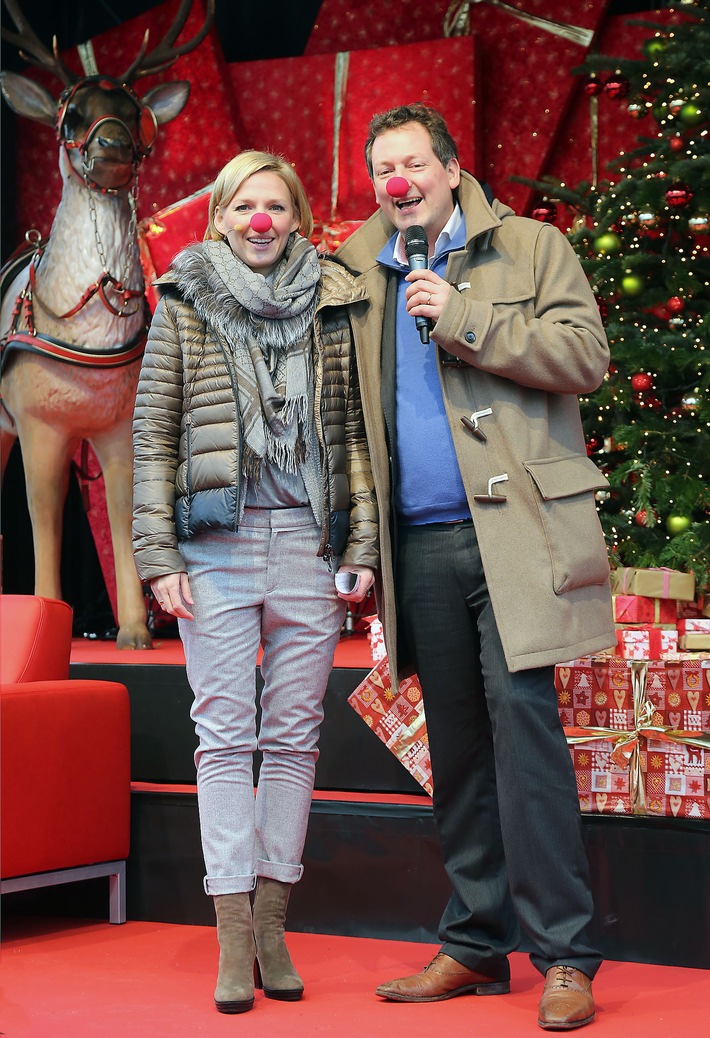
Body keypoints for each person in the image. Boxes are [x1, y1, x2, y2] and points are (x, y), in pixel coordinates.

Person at [334, 102, 616, 1031]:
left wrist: (463, 316)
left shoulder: (532, 248)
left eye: (413, 162)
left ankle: (566, 956)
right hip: (419, 544)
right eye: (383, 169)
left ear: (452, 169)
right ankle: (474, 943)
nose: (397, 182)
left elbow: (586, 355)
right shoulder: (357, 269)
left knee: (524, 730)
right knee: (453, 749)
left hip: (516, 534)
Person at [132, 150, 378, 1015]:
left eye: (276, 205)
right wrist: (157, 558)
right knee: (225, 736)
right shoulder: (184, 302)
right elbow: (155, 434)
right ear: (221, 218)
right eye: (245, 206)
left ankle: (275, 921)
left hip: (312, 546)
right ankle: (234, 932)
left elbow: (351, 436)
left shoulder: (335, 300)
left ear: (299, 218)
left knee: (297, 737)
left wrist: (365, 545)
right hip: (217, 549)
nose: (261, 220)